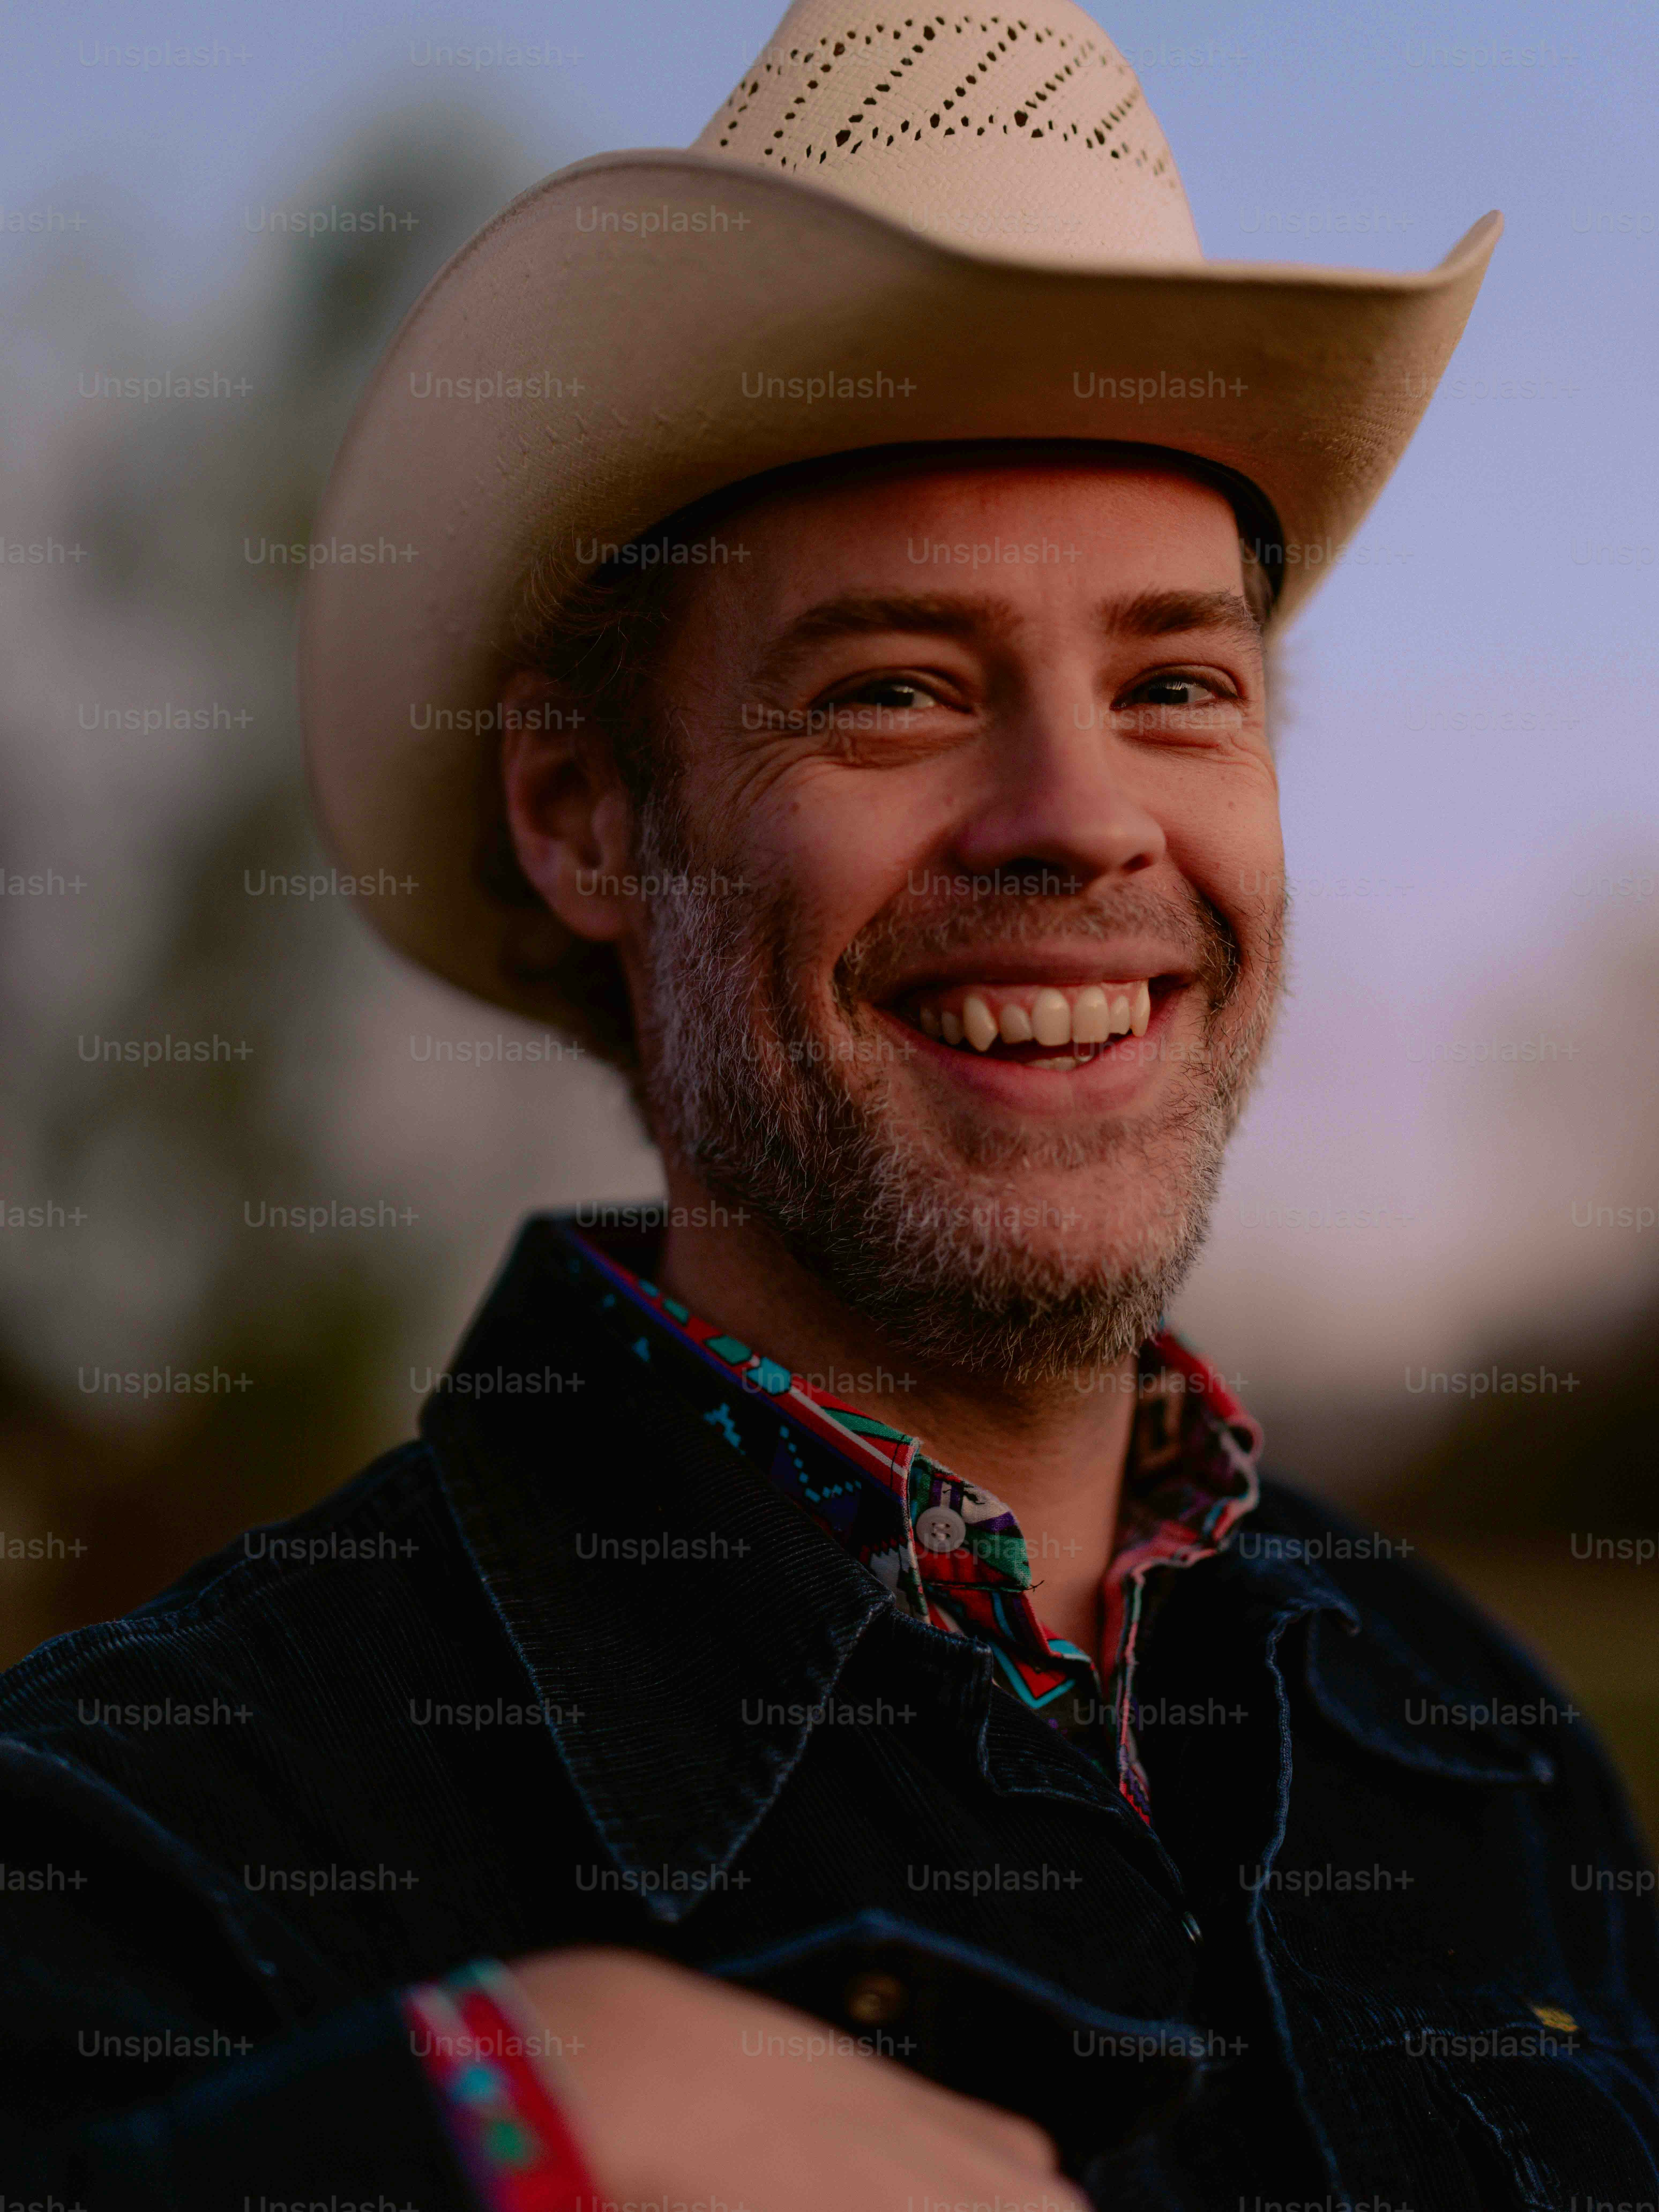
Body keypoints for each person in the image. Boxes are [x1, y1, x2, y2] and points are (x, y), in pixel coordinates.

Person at [6, 1, 1657, 2207]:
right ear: (591, 821)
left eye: (1178, 685)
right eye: (897, 689)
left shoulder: (1475, 1741)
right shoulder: (145, 1833)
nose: (1081, 822)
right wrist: (493, 2130)